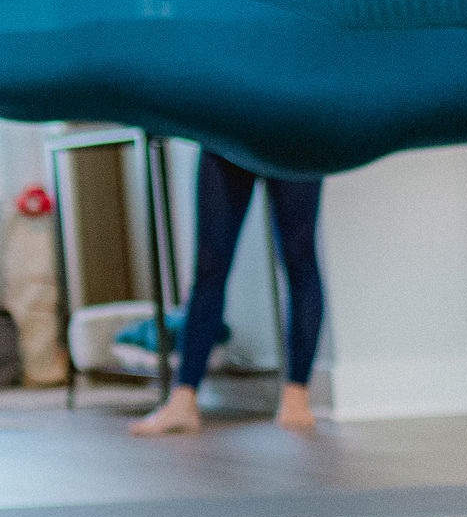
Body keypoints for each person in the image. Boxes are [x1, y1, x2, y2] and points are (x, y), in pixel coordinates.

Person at [131, 151, 324, 436]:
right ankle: (183, 400)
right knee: (209, 267)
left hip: (295, 128)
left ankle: (297, 398)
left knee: (300, 259)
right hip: (226, 134)